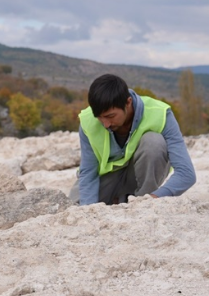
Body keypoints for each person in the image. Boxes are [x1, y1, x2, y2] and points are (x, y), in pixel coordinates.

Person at [70, 73, 196, 205]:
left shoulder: (160, 114)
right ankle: (118, 200)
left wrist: (154, 198)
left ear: (128, 103)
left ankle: (141, 203)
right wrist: (88, 210)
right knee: (74, 206)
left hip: (140, 182)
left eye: (110, 116)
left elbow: (186, 174)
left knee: (154, 143)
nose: (105, 124)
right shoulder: (88, 120)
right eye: (100, 118)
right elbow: (88, 173)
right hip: (106, 179)